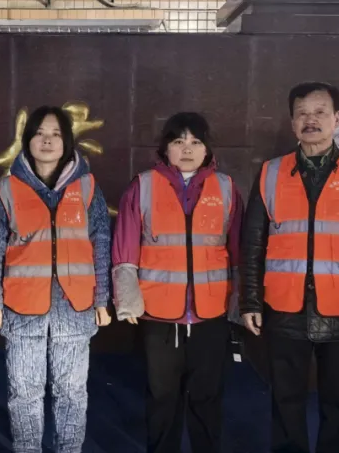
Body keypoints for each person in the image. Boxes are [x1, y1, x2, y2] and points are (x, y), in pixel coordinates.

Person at [239, 82, 339, 453]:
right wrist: (250, 301)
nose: (311, 120)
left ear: (337, 119)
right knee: (285, 402)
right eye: (302, 114)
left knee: (338, 405)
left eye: (320, 112)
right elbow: (252, 244)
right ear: (292, 121)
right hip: (284, 308)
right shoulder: (271, 173)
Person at [0, 106, 113, 453]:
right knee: (24, 392)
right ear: (27, 140)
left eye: (55, 134)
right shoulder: (7, 189)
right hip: (21, 306)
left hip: (75, 305)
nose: (47, 140)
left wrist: (102, 300)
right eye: (39, 133)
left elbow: (101, 244)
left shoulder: (88, 187)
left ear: (67, 141)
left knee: (72, 392)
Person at [111, 112, 244, 453]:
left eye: (196, 142)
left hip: (211, 314)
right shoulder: (142, 186)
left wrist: (240, 303)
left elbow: (238, 251)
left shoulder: (226, 188)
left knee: (207, 398)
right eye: (178, 141)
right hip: (158, 315)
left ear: (207, 148)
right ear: (165, 147)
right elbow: (125, 249)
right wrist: (128, 300)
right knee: (162, 399)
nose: (187, 149)